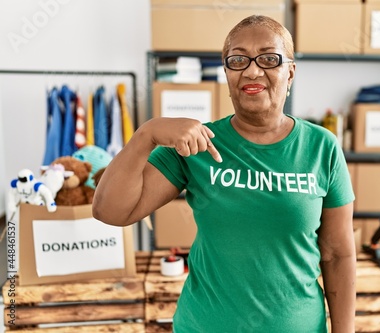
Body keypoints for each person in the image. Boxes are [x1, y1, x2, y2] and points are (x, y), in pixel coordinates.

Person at [93, 15, 356, 333]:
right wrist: (146, 134)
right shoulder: (196, 144)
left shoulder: (321, 147)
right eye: (238, 59)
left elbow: (337, 254)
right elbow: (110, 211)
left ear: (290, 72)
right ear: (227, 72)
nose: (252, 70)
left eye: (269, 59)